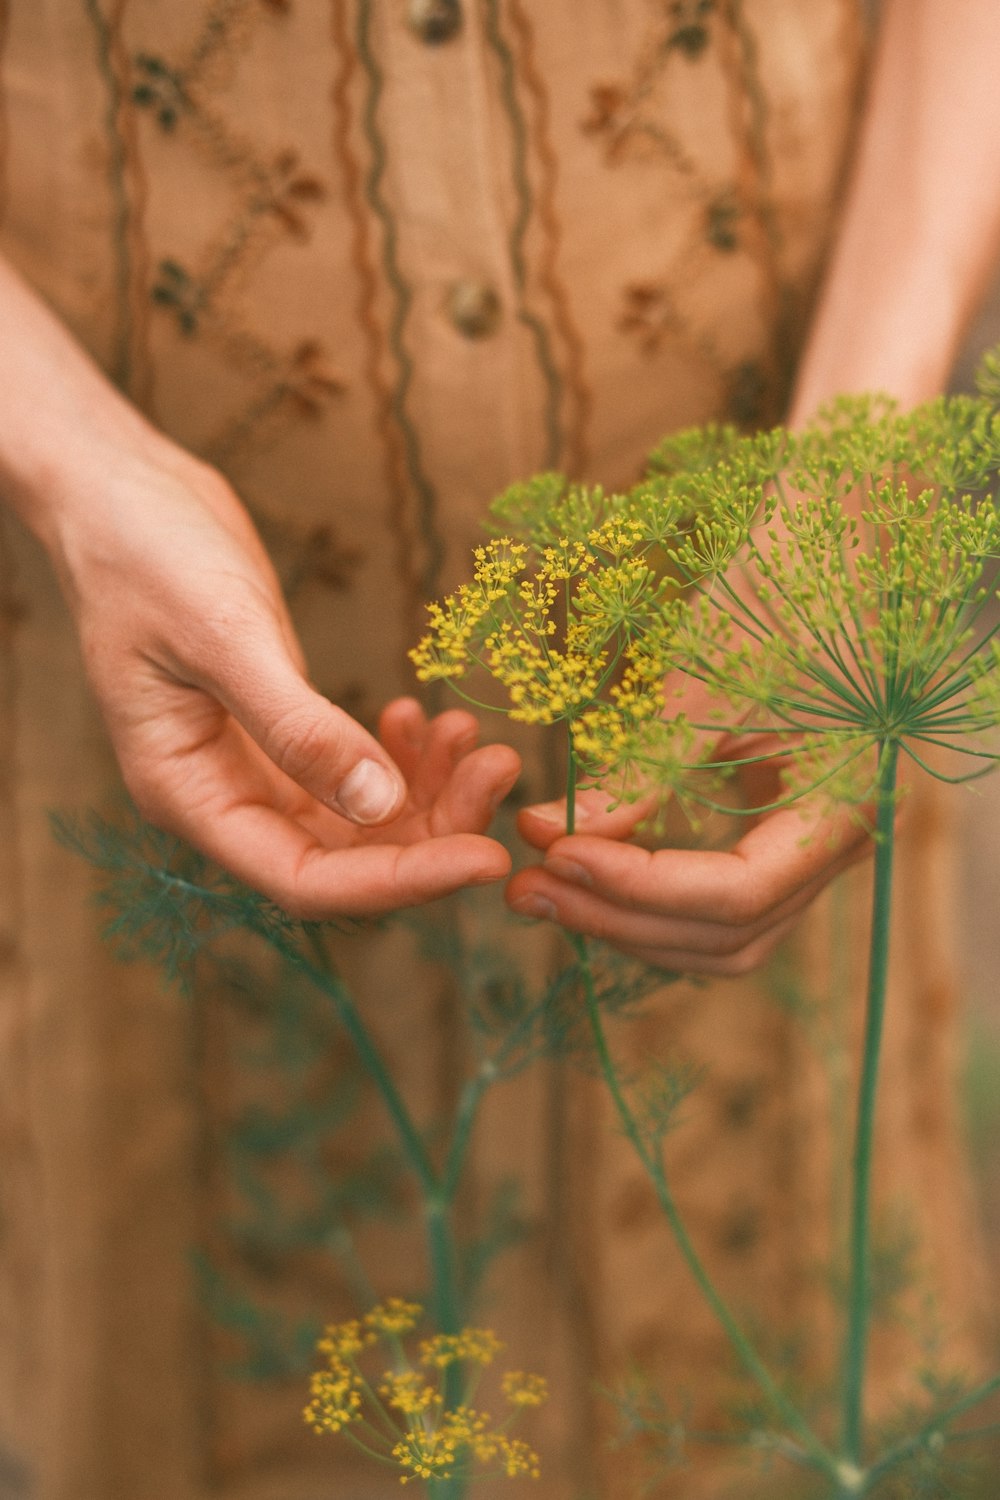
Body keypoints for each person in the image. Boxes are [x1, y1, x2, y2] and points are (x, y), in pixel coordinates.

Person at [0, 2, 997, 1497]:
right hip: (126, 603)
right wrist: (67, 460)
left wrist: (852, 477)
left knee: (787, 1357)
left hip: (790, 524)